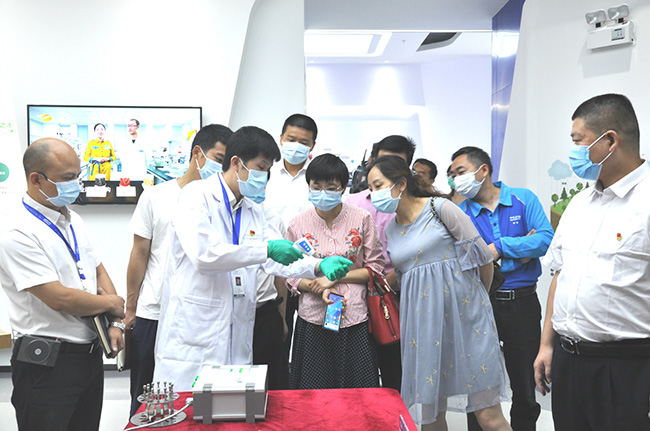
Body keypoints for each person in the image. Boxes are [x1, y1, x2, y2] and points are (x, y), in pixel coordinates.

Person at [152, 126, 353, 391]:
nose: (263, 177)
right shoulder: (196, 195)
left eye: (268, 170)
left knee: (233, 406)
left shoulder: (251, 209)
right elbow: (205, 255)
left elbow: (279, 255)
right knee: (188, 408)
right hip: (194, 333)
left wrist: (317, 265)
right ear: (236, 162)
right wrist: (265, 250)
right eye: (260, 168)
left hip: (237, 333)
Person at [367, 155, 511, 431]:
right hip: (423, 329)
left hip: (467, 322)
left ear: (401, 184)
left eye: (378, 186)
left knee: (489, 418)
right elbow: (406, 274)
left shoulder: (439, 208)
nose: (374, 194)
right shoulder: (391, 229)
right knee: (430, 419)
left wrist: (478, 302)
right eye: (371, 188)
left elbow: (482, 258)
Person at [534, 94, 650, 431]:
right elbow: (561, 275)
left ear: (610, 141)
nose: (574, 152)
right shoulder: (579, 204)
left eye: (578, 141)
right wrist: (547, 345)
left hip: (629, 367)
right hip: (569, 362)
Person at [0, 138, 126, 431]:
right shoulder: (16, 230)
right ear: (36, 179)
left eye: (78, 175)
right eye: (68, 178)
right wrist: (112, 303)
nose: (76, 184)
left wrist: (115, 323)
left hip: (89, 355)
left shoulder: (73, 219)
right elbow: (59, 298)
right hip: (46, 364)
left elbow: (97, 270)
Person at [123, 124, 232, 417]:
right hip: (154, 311)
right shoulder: (155, 196)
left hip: (195, 317)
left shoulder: (223, 203)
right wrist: (131, 308)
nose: (222, 168)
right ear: (198, 153)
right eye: (218, 159)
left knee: (189, 400)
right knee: (145, 398)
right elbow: (139, 253)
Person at [449, 146, 554, 431]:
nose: (455, 180)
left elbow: (546, 240)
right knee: (479, 385)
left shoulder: (523, 198)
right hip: (481, 303)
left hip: (522, 303)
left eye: (460, 172)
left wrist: (499, 248)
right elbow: (465, 261)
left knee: (525, 383)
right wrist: (520, 252)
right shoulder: (460, 213)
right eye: (452, 174)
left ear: (483, 170)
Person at [285, 154, 385, 389]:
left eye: (331, 188)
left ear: (343, 188)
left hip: (355, 317)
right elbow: (290, 274)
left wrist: (332, 278)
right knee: (314, 390)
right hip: (313, 317)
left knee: (357, 390)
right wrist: (315, 287)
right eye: (316, 186)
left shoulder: (362, 218)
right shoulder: (297, 224)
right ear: (308, 186)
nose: (323, 193)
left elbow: (375, 268)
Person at [345, 134, 415, 392]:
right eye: (383, 161)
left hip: (398, 296)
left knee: (395, 369)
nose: (387, 168)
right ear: (372, 161)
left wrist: (390, 281)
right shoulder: (351, 203)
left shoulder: (413, 208)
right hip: (355, 294)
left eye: (396, 163)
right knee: (358, 372)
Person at [263, 113, 318, 387]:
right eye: (291, 139)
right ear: (281, 138)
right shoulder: (266, 175)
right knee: (277, 340)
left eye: (304, 142)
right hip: (272, 273)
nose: (296, 146)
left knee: (310, 345)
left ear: (313, 146)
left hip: (310, 273)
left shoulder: (318, 177)